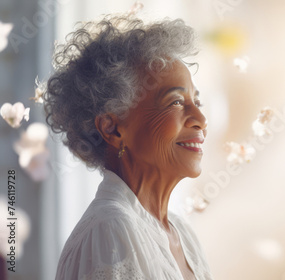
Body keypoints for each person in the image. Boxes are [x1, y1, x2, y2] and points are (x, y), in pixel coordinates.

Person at [42, 13, 213, 279]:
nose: (201, 120)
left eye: (197, 102)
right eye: (176, 102)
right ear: (112, 128)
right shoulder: (110, 229)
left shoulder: (182, 233)